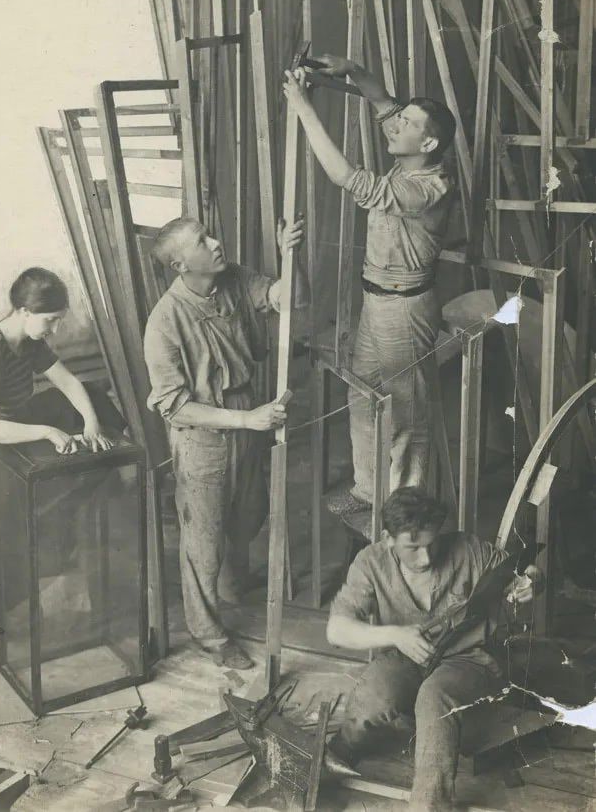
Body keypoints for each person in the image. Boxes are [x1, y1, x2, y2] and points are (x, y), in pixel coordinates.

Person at [283, 57, 457, 528]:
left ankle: (406, 514)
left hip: (407, 310)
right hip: (376, 301)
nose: (394, 124)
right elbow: (381, 101)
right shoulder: (411, 151)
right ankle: (367, 488)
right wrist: (351, 69)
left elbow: (347, 178)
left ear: (429, 142)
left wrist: (303, 108)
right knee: (362, 396)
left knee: (405, 414)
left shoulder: (430, 185)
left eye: (406, 123)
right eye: (399, 119)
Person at [144, 216, 306, 669]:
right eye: (202, 241)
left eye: (211, 233)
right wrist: (246, 420)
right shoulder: (164, 323)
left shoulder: (231, 278)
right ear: (180, 264)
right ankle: (209, 634)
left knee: (246, 512)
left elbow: (291, 299)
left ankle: (231, 587)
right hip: (203, 437)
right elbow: (175, 408)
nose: (216, 242)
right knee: (203, 541)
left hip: (245, 421)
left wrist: (290, 255)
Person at [326, 487, 543, 811]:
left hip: (468, 659)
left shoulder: (469, 550)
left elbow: (525, 573)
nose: (425, 558)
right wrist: (397, 635)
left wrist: (532, 582)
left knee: (434, 697)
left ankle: (430, 804)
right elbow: (336, 630)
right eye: (412, 548)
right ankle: (341, 750)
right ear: (387, 538)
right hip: (406, 654)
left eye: (431, 544)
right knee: (374, 698)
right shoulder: (370, 562)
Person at [0, 267, 125, 646]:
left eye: (59, 320)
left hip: (11, 440)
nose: (55, 329)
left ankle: (25, 591)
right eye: (51, 320)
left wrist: (91, 424)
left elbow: (70, 382)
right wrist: (47, 431)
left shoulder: (28, 341)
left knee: (88, 398)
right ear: (24, 311)